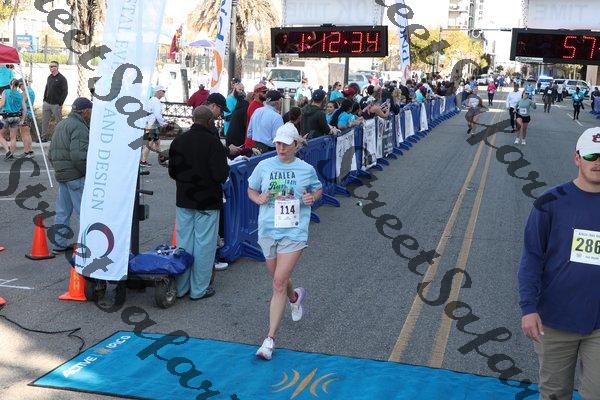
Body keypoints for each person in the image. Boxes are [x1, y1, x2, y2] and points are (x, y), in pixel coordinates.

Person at [519, 127, 600, 400]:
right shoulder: (549, 203)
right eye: (591, 155)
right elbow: (531, 257)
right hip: (554, 320)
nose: (597, 162)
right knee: (555, 394)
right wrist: (528, 308)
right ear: (577, 158)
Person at [248, 122, 323, 360]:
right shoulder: (264, 166)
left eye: (286, 144)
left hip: (294, 231)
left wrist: (312, 198)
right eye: (278, 143)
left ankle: (269, 340)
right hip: (268, 229)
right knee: (279, 279)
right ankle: (294, 298)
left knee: (279, 282)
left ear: (296, 145)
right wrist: (258, 198)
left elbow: (318, 189)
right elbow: (251, 189)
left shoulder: (306, 169)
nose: (281, 148)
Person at [168, 105, 229, 300]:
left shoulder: (178, 141)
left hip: (184, 198)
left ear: (193, 119)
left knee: (184, 243)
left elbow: (172, 172)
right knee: (204, 244)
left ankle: (181, 286)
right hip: (207, 200)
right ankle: (199, 289)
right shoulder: (213, 143)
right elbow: (220, 175)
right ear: (210, 121)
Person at [48, 97, 93, 253]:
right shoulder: (80, 127)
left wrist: (59, 169)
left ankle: (58, 244)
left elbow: (50, 152)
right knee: (83, 212)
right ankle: (85, 246)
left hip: (62, 175)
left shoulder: (62, 124)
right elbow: (78, 156)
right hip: (75, 176)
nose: (91, 114)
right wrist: (87, 173)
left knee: (63, 211)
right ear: (85, 111)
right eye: (91, 111)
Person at [247, 90, 284, 154]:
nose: (281, 103)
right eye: (280, 100)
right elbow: (278, 139)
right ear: (277, 102)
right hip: (269, 151)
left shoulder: (257, 111)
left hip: (255, 148)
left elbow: (249, 134)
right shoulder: (277, 117)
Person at [140, 85, 168, 167]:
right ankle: (143, 161)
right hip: (152, 125)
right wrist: (163, 123)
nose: (164, 93)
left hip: (151, 124)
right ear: (158, 91)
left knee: (157, 142)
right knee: (149, 143)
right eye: (163, 91)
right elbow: (157, 115)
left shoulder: (152, 100)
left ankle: (161, 159)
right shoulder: (156, 101)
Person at [41, 61, 68, 142]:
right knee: (45, 121)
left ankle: (60, 139)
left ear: (57, 67)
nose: (51, 68)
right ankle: (43, 137)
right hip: (47, 103)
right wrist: (44, 99)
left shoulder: (62, 78)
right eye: (50, 66)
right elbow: (46, 88)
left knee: (59, 122)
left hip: (56, 104)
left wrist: (60, 103)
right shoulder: (49, 77)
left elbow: (65, 92)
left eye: (53, 66)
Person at [0, 79, 26, 161]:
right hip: (16, 117)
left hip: (6, 117)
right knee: (13, 137)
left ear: (10, 84)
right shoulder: (20, 95)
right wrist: (22, 120)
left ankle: (8, 152)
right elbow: (24, 109)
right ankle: (11, 155)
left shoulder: (5, 92)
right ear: (18, 85)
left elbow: (2, 104)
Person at [244, 83, 268, 149]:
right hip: (253, 144)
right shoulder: (254, 106)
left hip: (256, 143)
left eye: (266, 92)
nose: (266, 94)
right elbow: (258, 127)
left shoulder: (260, 105)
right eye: (264, 92)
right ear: (256, 93)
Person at [17, 79, 35, 158]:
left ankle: (26, 152)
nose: (19, 88)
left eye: (20, 86)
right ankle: (30, 151)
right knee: (27, 133)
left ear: (23, 84)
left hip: (25, 114)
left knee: (24, 134)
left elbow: (21, 102)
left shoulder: (26, 92)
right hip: (30, 113)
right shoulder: (31, 90)